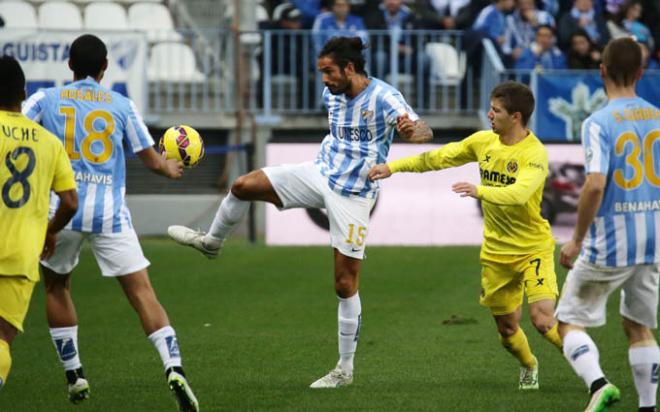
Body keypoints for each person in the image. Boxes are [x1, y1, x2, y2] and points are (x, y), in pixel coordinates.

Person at [168, 36, 433, 388]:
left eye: (328, 72)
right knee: (243, 186)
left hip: (354, 194)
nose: (323, 80)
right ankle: (212, 243)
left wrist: (412, 132)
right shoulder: (332, 95)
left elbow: (424, 131)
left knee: (344, 283)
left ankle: (344, 370)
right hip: (318, 173)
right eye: (321, 72)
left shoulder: (385, 97)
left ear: (350, 68)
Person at [22, 34, 199, 412]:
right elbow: (150, 159)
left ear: (69, 65)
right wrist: (169, 168)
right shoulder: (121, 104)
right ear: (105, 69)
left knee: (56, 287)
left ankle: (75, 375)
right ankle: (173, 367)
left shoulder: (46, 100)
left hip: (60, 212)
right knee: (142, 293)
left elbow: (16, 132)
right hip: (110, 214)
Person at [368, 81, 563, 390]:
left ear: (516, 117)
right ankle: (529, 364)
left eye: (496, 110)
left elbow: (519, 193)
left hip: (533, 248)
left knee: (542, 320)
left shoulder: (535, 153)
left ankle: (591, 369)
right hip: (497, 252)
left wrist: (479, 191)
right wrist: (393, 167)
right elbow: (437, 158)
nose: (489, 114)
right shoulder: (484, 141)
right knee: (507, 329)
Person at [556, 37, 660, 412]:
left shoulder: (597, 122)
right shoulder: (657, 118)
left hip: (611, 242)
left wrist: (576, 239)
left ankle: (599, 385)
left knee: (567, 322)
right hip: (652, 242)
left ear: (601, 71)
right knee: (638, 327)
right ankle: (647, 407)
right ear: (641, 72)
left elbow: (596, 184)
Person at [0, 55, 78, 392]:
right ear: (24, 92)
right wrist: (50, 230)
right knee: (3, 338)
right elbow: (71, 201)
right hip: (19, 255)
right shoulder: (49, 142)